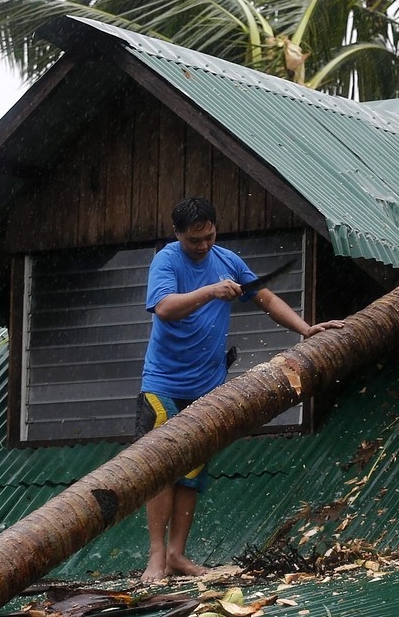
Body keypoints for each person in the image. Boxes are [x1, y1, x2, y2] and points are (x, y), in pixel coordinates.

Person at [136, 196, 343, 582]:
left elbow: (264, 297)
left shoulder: (228, 260)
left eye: (209, 236)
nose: (203, 246)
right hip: (162, 383)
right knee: (162, 466)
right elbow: (164, 308)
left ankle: (178, 554)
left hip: (208, 387)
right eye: (194, 240)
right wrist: (211, 292)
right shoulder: (167, 260)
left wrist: (306, 330)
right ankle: (156, 556)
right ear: (177, 234)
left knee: (191, 469)